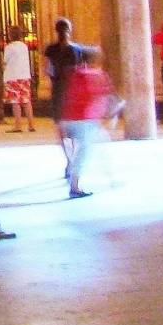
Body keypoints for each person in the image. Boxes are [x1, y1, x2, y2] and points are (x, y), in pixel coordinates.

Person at [59, 47, 122, 198]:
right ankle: (75, 185)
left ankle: (112, 177)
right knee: (85, 151)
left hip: (70, 117)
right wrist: (113, 112)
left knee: (100, 144)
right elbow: (103, 96)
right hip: (86, 119)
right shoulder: (96, 75)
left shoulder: (75, 74)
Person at [42, 18, 83, 171]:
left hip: (58, 92)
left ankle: (69, 160)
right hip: (72, 93)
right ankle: (74, 160)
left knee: (61, 130)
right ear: (69, 30)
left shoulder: (50, 49)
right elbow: (79, 72)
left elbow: (47, 69)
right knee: (74, 130)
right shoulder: (76, 49)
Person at [1, 32, 37, 132]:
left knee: (15, 102)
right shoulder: (24, 46)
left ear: (10, 36)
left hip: (12, 76)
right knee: (26, 101)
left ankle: (18, 125)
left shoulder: (9, 47)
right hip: (24, 76)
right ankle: (31, 125)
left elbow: (5, 61)